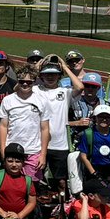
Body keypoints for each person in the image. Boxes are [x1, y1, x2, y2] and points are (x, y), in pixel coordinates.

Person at [0, 68, 49, 185]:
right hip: (12, 150)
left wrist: (43, 155)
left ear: (34, 82)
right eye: (21, 81)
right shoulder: (8, 100)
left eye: (29, 82)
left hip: (33, 151)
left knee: (31, 186)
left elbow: (45, 128)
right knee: (12, 184)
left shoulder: (41, 101)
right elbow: (3, 126)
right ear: (17, 81)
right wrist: (3, 151)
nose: (25, 84)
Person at [34, 61, 72, 194]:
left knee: (61, 182)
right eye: (46, 74)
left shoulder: (65, 92)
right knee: (35, 180)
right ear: (41, 76)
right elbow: (17, 87)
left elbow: (80, 87)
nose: (50, 77)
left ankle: (62, 208)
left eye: (54, 74)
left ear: (59, 76)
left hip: (60, 144)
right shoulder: (36, 89)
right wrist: (37, 66)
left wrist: (65, 66)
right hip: (38, 143)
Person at [0, 143, 36, 219]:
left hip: (20, 218)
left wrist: (19, 215)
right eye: (10, 161)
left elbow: (32, 202)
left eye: (18, 162)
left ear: (23, 163)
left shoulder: (27, 180)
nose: (14, 164)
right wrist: (3, 213)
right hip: (0, 216)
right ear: (4, 161)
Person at [75, 105, 110, 182]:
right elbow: (83, 156)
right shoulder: (88, 134)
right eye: (101, 117)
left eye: (107, 117)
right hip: (93, 171)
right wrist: (94, 173)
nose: (104, 119)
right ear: (95, 118)